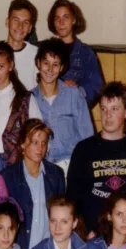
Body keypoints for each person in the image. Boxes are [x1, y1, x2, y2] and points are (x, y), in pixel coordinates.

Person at [67, 81, 126, 239]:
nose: (108, 115)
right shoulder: (83, 150)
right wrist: (86, 234)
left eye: (114, 109)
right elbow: (73, 200)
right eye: (103, 109)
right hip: (93, 240)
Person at [30, 38, 93, 175]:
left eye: (55, 64)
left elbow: (87, 137)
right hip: (42, 167)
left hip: (72, 165)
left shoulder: (74, 94)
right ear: (38, 63)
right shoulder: (30, 99)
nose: (50, 69)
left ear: (62, 67)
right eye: (46, 63)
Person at [0, 42, 42, 172]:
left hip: (16, 166)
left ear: (11, 65)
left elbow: (39, 134)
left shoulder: (26, 99)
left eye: (1, 66)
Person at [1, 119, 65, 249]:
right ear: (23, 144)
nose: (40, 148)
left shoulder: (56, 174)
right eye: (35, 142)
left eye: (44, 143)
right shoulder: (8, 176)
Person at [47, 0, 104, 106]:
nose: (61, 22)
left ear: (73, 20)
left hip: (75, 109)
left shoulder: (86, 53)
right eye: (57, 18)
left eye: (66, 17)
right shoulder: (46, 50)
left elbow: (96, 86)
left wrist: (77, 90)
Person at [5, 0, 39, 91]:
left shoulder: (38, 54)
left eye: (25, 22)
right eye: (16, 20)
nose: (20, 26)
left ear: (30, 28)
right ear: (7, 22)